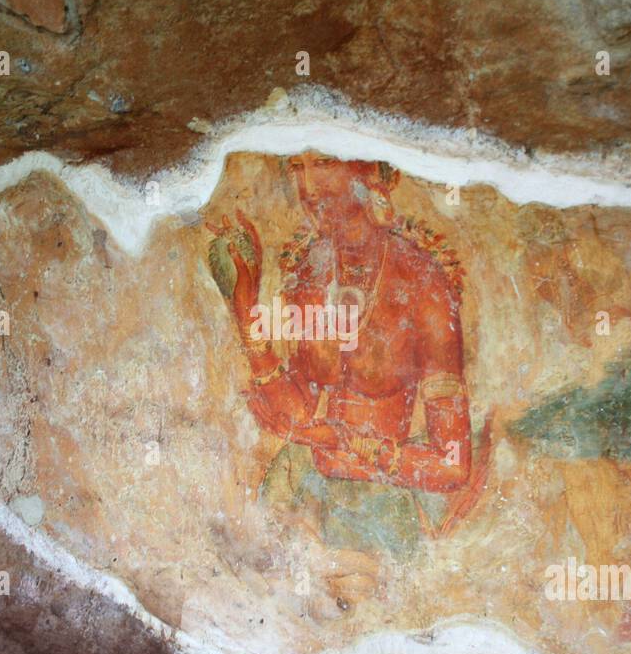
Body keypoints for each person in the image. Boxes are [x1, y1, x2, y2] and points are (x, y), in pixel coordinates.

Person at [208, 152, 491, 602]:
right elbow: (298, 408)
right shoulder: (307, 273)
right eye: (296, 169)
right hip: (301, 486)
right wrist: (244, 303)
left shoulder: (422, 283)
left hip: (379, 503)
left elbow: (453, 465)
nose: (307, 188)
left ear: (369, 171)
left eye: (322, 164)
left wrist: (346, 442)